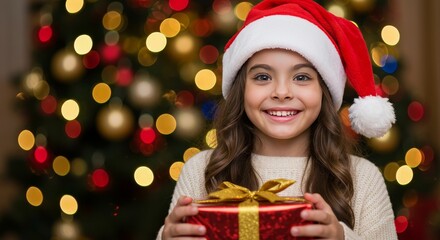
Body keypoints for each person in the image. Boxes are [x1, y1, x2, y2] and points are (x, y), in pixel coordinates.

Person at [157, 0, 397, 239]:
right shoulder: (202, 171)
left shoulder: (362, 178)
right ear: (241, 90)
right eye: (262, 76)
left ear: (324, 91)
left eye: (302, 77)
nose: (282, 92)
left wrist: (341, 237)